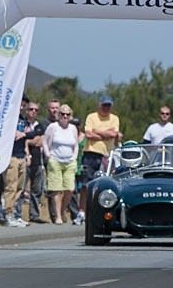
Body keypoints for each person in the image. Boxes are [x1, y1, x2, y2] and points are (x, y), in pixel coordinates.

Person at [77, 95, 121, 225]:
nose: (106, 108)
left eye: (109, 106)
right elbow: (88, 134)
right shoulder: (92, 117)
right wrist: (105, 134)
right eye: (104, 105)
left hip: (107, 155)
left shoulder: (114, 118)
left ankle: (104, 210)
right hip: (91, 153)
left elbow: (113, 134)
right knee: (86, 184)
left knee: (107, 184)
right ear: (99, 105)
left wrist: (98, 132)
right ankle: (82, 212)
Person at [42, 104, 79, 224]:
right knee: (56, 189)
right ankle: (57, 215)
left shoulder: (73, 128)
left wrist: (74, 158)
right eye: (62, 114)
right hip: (55, 160)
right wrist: (49, 156)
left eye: (67, 114)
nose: (65, 116)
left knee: (70, 189)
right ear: (59, 115)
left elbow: (76, 144)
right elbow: (45, 142)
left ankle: (63, 210)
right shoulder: (53, 127)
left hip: (69, 161)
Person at [2, 96, 33, 227]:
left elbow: (32, 133)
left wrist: (23, 134)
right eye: (20, 104)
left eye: (24, 105)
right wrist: (16, 133)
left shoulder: (24, 120)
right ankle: (8, 213)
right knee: (11, 186)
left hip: (22, 156)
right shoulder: (9, 118)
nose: (22, 107)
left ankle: (15, 212)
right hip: (11, 156)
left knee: (20, 187)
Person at [18, 101, 46, 223]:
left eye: (36, 110)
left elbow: (41, 141)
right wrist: (29, 139)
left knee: (37, 190)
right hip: (25, 159)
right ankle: (17, 214)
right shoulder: (22, 123)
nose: (33, 112)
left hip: (38, 161)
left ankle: (34, 214)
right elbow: (26, 140)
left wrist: (27, 140)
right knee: (20, 188)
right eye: (31, 109)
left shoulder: (40, 125)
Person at [40, 99, 61, 222]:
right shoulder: (44, 124)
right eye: (52, 108)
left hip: (63, 160)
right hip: (50, 160)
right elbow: (42, 141)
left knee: (64, 188)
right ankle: (54, 215)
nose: (54, 110)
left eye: (56, 108)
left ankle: (60, 213)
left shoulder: (63, 124)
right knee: (53, 188)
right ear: (48, 110)